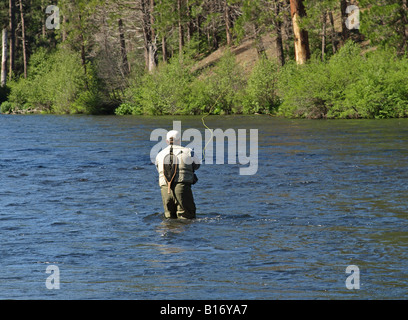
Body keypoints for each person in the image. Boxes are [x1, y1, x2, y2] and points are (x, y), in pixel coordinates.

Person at [155, 130, 200, 219]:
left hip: (165, 188)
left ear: (167, 141)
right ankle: (183, 233)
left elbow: (159, 170)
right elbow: (197, 166)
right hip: (182, 187)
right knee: (186, 217)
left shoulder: (159, 155)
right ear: (179, 140)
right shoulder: (189, 152)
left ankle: (171, 231)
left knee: (169, 217)